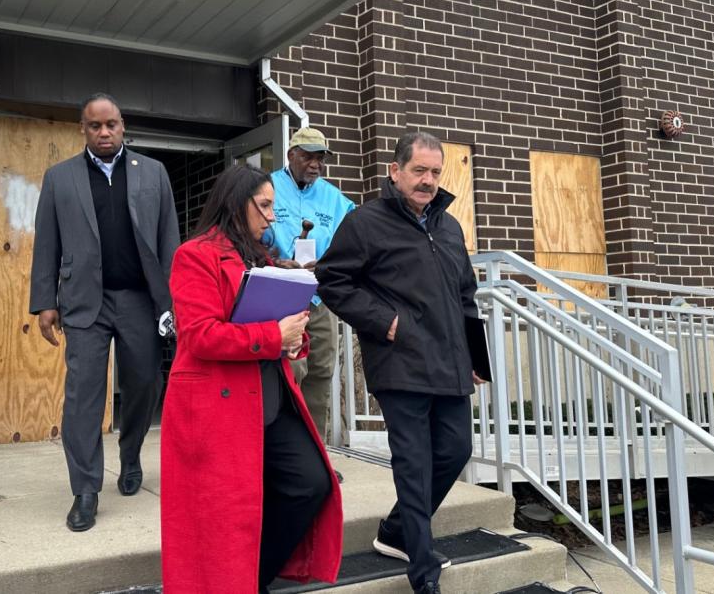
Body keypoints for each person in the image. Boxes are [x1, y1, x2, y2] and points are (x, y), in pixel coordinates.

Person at [316, 132, 486, 594]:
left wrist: (477, 356)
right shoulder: (365, 222)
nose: (428, 181)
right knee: (413, 462)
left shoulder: (449, 227)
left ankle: (395, 530)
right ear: (395, 171)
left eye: (435, 172)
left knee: (454, 451)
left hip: (448, 360)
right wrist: (385, 323)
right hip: (400, 362)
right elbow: (332, 280)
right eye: (419, 171)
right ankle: (423, 569)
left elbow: (465, 296)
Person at [161, 165, 342, 594]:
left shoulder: (260, 258)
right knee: (225, 510)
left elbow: (278, 332)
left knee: (311, 482)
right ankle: (237, 582)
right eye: (263, 206)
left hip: (268, 398)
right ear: (234, 203)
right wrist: (271, 335)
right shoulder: (194, 255)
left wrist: (293, 338)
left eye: (272, 208)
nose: (270, 217)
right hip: (218, 405)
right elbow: (200, 335)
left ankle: (250, 577)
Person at [29, 93, 180, 532]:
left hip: (138, 298)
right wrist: (44, 302)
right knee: (83, 397)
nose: (104, 132)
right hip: (83, 303)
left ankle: (130, 455)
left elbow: (169, 239)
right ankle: (86, 489)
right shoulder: (60, 178)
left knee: (145, 384)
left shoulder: (153, 172)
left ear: (122, 124)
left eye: (111, 124)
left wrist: (171, 301)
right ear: (83, 129)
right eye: (94, 126)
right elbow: (47, 243)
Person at [265, 126, 355, 447]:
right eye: (308, 156)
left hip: (320, 296)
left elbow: (355, 239)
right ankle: (285, 451)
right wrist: (273, 261)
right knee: (292, 370)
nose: (315, 164)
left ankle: (314, 453)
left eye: (320, 158)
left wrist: (335, 265)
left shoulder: (334, 198)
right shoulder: (269, 187)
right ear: (291, 155)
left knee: (320, 370)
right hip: (282, 293)